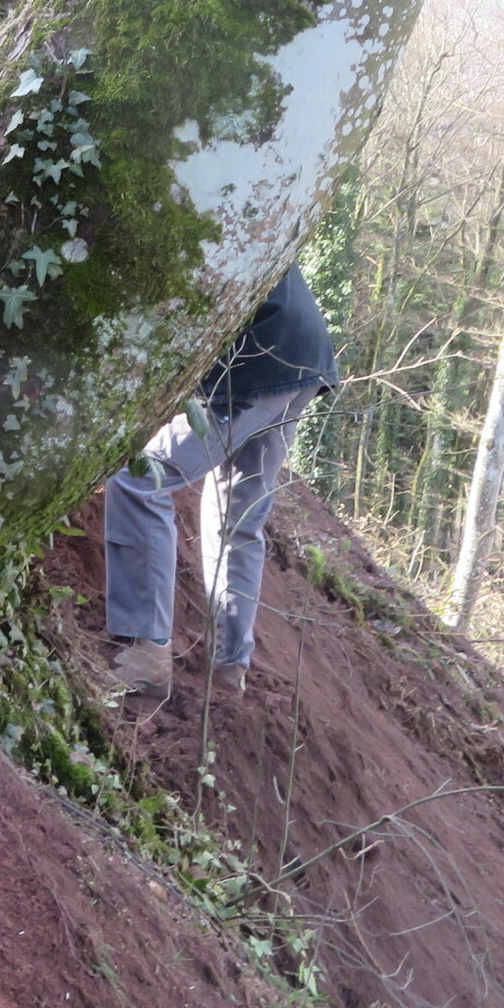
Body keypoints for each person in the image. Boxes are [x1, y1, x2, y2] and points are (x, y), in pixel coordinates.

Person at [104, 265, 339, 702]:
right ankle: (230, 669)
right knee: (237, 517)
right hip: (302, 352)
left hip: (260, 355)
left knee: (140, 478)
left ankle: (147, 654)